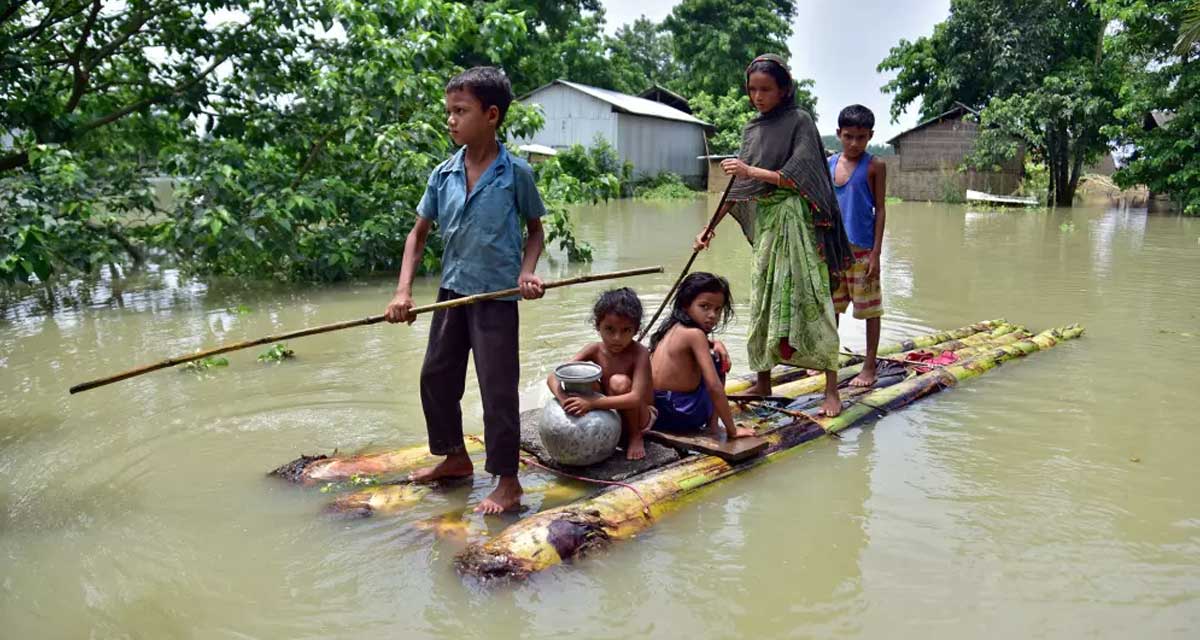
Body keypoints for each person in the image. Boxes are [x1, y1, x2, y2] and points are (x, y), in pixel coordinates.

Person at [383, 67, 546, 514]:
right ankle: (454, 459)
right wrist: (402, 293)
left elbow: (535, 232)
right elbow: (417, 236)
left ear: (491, 115)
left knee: (497, 389)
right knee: (435, 377)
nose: (451, 120)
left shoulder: (516, 174)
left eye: (461, 111)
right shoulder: (443, 173)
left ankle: (508, 482)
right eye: (448, 111)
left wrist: (527, 273)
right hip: (452, 294)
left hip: (496, 299)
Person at [693, 54, 853, 417]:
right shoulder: (752, 129)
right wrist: (709, 227)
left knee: (813, 300)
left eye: (766, 89)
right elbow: (738, 187)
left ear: (784, 89)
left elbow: (801, 175)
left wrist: (750, 168)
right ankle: (763, 378)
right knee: (763, 298)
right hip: (767, 225)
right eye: (752, 90)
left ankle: (831, 388)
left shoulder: (801, 121)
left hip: (796, 222)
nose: (758, 96)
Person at [546, 288, 656, 460]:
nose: (617, 338)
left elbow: (635, 398)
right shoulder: (594, 349)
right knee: (584, 381)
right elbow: (554, 376)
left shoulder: (640, 353)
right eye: (609, 329)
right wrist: (563, 399)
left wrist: (592, 402)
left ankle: (635, 437)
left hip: (640, 416)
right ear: (598, 325)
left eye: (626, 330)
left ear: (636, 330)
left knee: (618, 382)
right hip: (610, 408)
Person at [647, 272, 758, 439]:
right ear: (686, 305)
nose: (712, 315)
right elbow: (714, 386)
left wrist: (715, 343)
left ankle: (713, 423)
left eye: (717, 309)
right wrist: (732, 430)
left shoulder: (670, 328)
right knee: (717, 361)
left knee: (713, 355)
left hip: (657, 413)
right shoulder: (695, 335)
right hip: (680, 416)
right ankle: (714, 426)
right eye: (704, 307)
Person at [828, 104, 887, 387]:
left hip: (863, 252)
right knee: (832, 311)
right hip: (834, 253)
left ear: (870, 136)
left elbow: (881, 210)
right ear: (839, 133)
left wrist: (876, 252)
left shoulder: (875, 165)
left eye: (861, 137)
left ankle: (869, 366)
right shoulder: (828, 165)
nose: (854, 143)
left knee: (869, 311)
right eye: (848, 136)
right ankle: (828, 363)